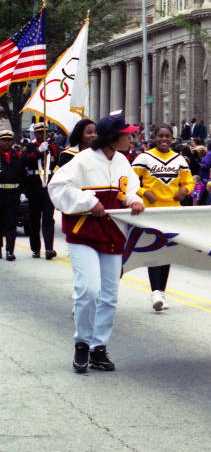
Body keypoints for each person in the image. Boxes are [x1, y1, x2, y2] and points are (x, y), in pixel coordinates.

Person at [47, 112, 144, 373]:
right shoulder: (82, 161)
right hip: (84, 234)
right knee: (88, 290)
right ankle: (82, 343)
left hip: (113, 234)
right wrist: (89, 202)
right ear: (112, 138)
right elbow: (57, 187)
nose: (131, 138)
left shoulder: (124, 161)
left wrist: (134, 200)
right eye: (126, 134)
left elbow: (130, 188)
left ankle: (98, 348)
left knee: (109, 296)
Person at [131, 125, 195, 311]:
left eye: (167, 136)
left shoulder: (179, 160)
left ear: (173, 138)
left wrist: (185, 190)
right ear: (155, 137)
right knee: (154, 252)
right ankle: (155, 292)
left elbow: (189, 181)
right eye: (161, 136)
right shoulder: (144, 158)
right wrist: (144, 192)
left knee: (166, 253)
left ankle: (162, 292)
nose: (164, 139)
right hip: (151, 212)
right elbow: (129, 181)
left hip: (173, 212)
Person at [25, 123, 61, 260]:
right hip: (35, 185)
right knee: (34, 219)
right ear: (35, 133)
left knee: (48, 218)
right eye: (39, 133)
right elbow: (25, 161)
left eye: (44, 133)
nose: (42, 135)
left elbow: (58, 162)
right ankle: (35, 249)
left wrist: (49, 150)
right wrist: (38, 152)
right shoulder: (29, 146)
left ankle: (49, 248)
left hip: (49, 186)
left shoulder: (52, 147)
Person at [0, 129, 34, 261]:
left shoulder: (18, 156)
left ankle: (10, 251)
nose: (7, 143)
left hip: (14, 194)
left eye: (9, 140)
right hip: (0, 193)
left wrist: (23, 192)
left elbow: (24, 174)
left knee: (11, 224)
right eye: (4, 140)